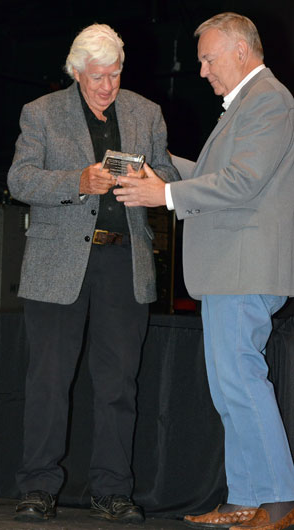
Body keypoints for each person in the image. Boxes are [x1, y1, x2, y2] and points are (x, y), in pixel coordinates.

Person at [114, 12, 294, 530]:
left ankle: (279, 501)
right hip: (229, 268)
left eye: (208, 59)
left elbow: (242, 183)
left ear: (241, 50)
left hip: (244, 266)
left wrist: (165, 194)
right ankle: (245, 499)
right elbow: (219, 175)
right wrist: (162, 168)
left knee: (240, 382)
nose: (201, 71)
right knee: (230, 386)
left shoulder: (269, 100)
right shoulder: (247, 105)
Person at [7, 23, 179, 524]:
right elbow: (20, 178)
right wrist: (76, 181)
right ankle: (38, 487)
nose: (109, 85)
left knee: (118, 385)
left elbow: (168, 174)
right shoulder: (40, 112)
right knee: (48, 381)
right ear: (76, 71)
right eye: (99, 76)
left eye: (116, 73)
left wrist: (150, 178)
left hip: (124, 262)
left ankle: (113, 490)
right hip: (56, 265)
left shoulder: (146, 112)